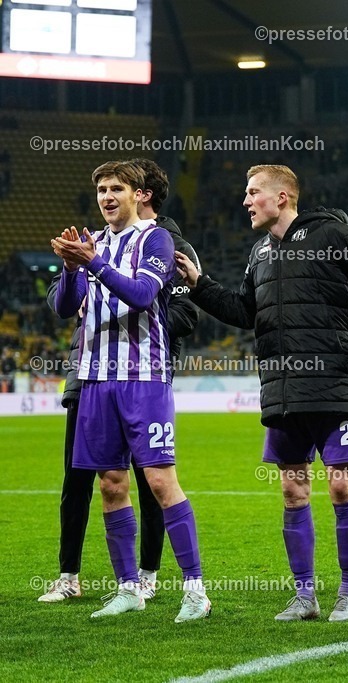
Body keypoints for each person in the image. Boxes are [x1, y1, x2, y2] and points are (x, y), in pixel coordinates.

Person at [175, 164, 348, 622]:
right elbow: (244, 311)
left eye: (253, 192)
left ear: (281, 197)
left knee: (340, 485)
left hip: (334, 381)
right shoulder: (259, 253)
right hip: (282, 389)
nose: (246, 201)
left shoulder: (332, 233)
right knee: (293, 490)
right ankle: (305, 596)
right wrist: (200, 286)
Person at [50, 160, 210, 622]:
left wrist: (92, 263)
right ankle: (127, 589)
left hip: (144, 378)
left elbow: (142, 295)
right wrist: (70, 267)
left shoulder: (156, 239)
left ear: (139, 194)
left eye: (116, 188)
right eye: (101, 189)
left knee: (160, 481)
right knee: (111, 484)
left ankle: (195, 590)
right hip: (95, 378)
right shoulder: (92, 243)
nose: (107, 196)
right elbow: (64, 307)